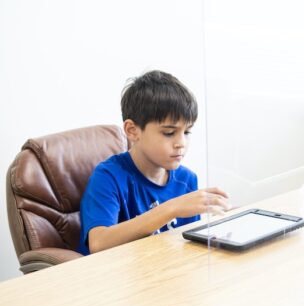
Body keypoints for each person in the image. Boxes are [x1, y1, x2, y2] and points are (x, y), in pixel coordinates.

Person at [78, 70, 230, 255]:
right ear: (132, 130)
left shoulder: (186, 179)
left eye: (187, 132)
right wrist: (171, 209)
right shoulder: (108, 177)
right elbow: (99, 242)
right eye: (168, 133)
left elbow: (188, 245)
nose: (181, 143)